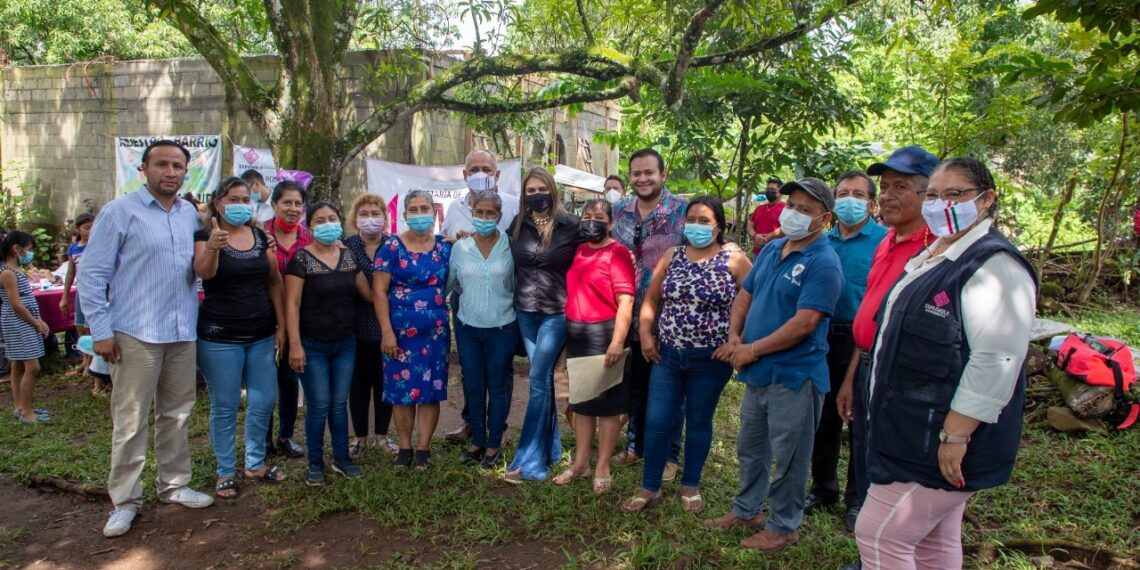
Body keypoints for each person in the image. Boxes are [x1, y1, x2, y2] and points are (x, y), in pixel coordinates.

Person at [854, 157, 1036, 569]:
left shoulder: (995, 265)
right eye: (934, 196)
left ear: (987, 199)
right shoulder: (938, 254)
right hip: (911, 429)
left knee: (879, 535)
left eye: (955, 195)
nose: (941, 205)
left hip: (939, 441)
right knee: (935, 542)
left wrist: (955, 436)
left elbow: (997, 358)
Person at [79, 140, 215, 538]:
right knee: (131, 419)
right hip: (136, 332)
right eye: (161, 164)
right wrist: (100, 332)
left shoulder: (189, 213)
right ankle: (124, 500)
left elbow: (196, 269)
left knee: (177, 412)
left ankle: (174, 484)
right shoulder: (120, 213)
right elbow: (92, 274)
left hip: (180, 329)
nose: (170, 172)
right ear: (144, 169)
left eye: (177, 165)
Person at [705, 177, 842, 554]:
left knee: (791, 456)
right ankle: (747, 509)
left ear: (824, 219)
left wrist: (753, 349)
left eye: (805, 210)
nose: (794, 213)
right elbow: (745, 295)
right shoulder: (773, 248)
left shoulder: (823, 262)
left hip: (795, 375)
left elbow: (805, 323)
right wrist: (735, 336)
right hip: (759, 372)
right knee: (751, 447)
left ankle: (783, 525)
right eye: (792, 205)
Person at [833, 146, 940, 549]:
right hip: (865, 365)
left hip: (905, 379)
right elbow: (871, 316)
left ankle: (884, 546)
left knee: (895, 473)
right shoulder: (889, 242)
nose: (890, 195)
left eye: (902, 187)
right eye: (886, 186)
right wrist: (851, 377)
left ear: (928, 195)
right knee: (865, 448)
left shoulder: (936, 250)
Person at [621, 196, 752, 513]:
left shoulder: (734, 259)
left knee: (697, 420)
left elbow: (757, 300)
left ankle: (690, 484)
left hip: (711, 360)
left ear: (718, 225)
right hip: (667, 356)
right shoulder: (672, 255)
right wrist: (646, 334)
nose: (696, 225)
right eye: (691, 218)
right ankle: (649, 486)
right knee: (657, 420)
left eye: (704, 220)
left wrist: (737, 340)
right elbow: (651, 300)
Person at [192, 177, 287, 498]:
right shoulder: (204, 236)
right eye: (233, 199)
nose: (241, 205)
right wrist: (214, 246)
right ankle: (225, 471)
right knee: (226, 404)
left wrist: (282, 326)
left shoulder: (261, 237)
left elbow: (274, 282)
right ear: (218, 203)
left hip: (261, 333)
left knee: (263, 400)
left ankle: (256, 463)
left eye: (245, 199)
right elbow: (203, 273)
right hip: (219, 336)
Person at [805, 171, 887, 526]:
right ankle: (823, 488)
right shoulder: (821, 241)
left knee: (858, 420)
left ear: (871, 203)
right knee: (822, 419)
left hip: (863, 341)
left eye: (857, 194)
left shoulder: (885, 241)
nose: (848, 200)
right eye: (842, 193)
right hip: (822, 336)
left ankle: (857, 498)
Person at [610, 148, 687, 477]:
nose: (642, 179)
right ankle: (634, 446)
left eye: (649, 173)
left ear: (663, 174)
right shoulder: (618, 211)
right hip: (627, 313)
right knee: (636, 384)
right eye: (636, 173)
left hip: (670, 316)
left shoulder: (683, 211)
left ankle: (670, 453)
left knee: (670, 388)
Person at [505, 166, 583, 483]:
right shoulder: (519, 224)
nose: (537, 195)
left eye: (542, 188)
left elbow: (590, 259)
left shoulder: (571, 226)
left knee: (538, 378)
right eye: (531, 190)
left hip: (556, 313)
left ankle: (531, 460)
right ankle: (550, 449)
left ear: (552, 189)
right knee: (543, 382)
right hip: (525, 312)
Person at [285, 200, 371, 486]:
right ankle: (315, 463)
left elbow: (369, 295)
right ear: (309, 227)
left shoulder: (349, 257)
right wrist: (294, 345)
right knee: (318, 405)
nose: (327, 224)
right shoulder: (301, 259)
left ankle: (342, 459)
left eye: (332, 218)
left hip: (345, 343)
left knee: (338, 404)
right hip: (312, 345)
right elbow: (292, 304)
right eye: (320, 220)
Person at [554, 198, 635, 493]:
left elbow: (626, 301)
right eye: (586, 215)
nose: (591, 221)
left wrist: (617, 341)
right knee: (582, 405)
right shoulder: (579, 250)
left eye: (599, 216)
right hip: (577, 334)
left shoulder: (618, 253)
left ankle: (602, 464)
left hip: (605, 334)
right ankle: (581, 462)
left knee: (608, 406)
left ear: (611, 222)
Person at [441, 149, 518, 443]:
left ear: (497, 174)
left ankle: (497, 431)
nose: (480, 173)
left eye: (486, 168)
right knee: (472, 376)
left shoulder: (514, 205)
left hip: (503, 308)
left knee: (499, 375)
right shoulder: (454, 209)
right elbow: (450, 256)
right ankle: (472, 425)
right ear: (464, 174)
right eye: (474, 168)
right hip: (466, 300)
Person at [374, 190, 453, 470]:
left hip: (435, 333)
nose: (420, 214)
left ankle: (423, 449)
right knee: (401, 391)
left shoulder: (446, 247)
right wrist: (386, 332)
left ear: (434, 212)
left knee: (430, 390)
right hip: (400, 332)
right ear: (405, 215)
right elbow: (380, 292)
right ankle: (404, 447)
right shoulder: (391, 247)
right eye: (414, 209)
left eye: (425, 208)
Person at [345, 193, 398, 457]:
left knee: (384, 382)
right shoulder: (346, 247)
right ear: (355, 220)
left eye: (376, 214)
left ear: (385, 218)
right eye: (364, 214)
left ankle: (382, 436)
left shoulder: (394, 246)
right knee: (358, 384)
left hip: (388, 325)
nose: (370, 219)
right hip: (355, 325)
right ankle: (360, 438)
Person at [263, 180, 312, 459]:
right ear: (274, 205)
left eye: (297, 204)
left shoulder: (309, 238)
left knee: (290, 380)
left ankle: (285, 436)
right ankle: (263, 438)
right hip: (264, 316)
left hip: (298, 317)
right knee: (265, 381)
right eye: (287, 203)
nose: (293, 208)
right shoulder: (260, 234)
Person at [1, 230, 50, 424]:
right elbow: (16, 304)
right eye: (28, 249)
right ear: (16, 248)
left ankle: (20, 406)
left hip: (24, 320)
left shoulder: (16, 271)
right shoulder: (7, 273)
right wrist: (36, 322)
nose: (29, 254)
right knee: (32, 366)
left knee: (18, 363)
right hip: (17, 321)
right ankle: (27, 412)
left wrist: (39, 319)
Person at [60, 212, 97, 387]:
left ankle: (92, 363)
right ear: (78, 230)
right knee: (80, 326)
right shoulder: (73, 249)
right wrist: (65, 296)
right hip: (81, 291)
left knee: (92, 329)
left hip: (96, 292)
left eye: (93, 227)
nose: (90, 231)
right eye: (86, 228)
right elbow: (70, 273)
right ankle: (84, 359)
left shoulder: (98, 246)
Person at [747, 177, 785, 255]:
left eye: (773, 189)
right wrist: (755, 236)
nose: (769, 191)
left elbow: (786, 228)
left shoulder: (785, 209)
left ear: (780, 192)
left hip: (775, 253)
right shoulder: (759, 208)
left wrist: (768, 237)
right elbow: (750, 225)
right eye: (768, 189)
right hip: (757, 252)